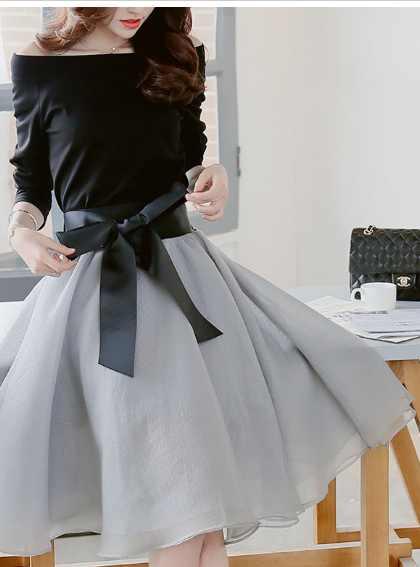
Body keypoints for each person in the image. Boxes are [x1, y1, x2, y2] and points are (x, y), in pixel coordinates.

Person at [0, 6, 416, 567]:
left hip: (187, 278)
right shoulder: (39, 63)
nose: (137, 9)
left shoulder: (175, 50)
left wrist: (208, 175)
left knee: (202, 518)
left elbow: (189, 160)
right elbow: (30, 181)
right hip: (96, 287)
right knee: (184, 509)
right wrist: (22, 234)